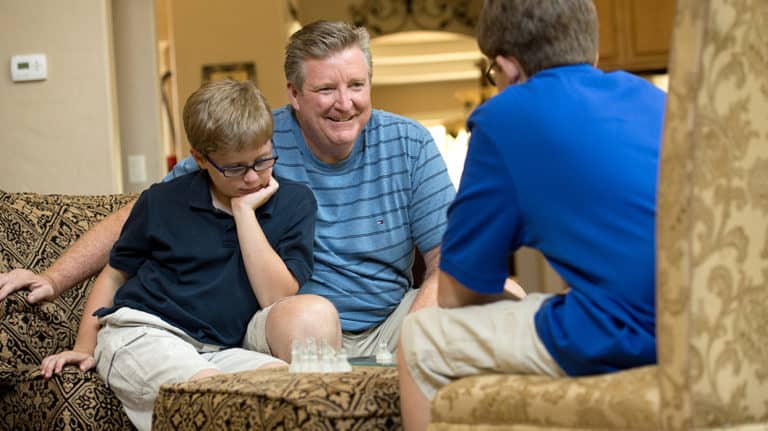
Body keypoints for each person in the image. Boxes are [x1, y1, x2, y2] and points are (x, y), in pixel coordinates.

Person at [0, 20, 456, 360]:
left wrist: (413, 339)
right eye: (326, 89)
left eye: (357, 85)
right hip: (285, 320)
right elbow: (141, 212)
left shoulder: (409, 143)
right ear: (294, 94)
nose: (346, 103)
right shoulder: (254, 142)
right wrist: (54, 277)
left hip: (389, 320)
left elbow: (446, 263)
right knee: (310, 316)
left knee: (502, 295)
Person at [396, 0, 667, 429]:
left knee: (418, 337)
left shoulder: (506, 116)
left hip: (625, 333)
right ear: (591, 53)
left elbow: (455, 293)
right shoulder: (653, 98)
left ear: (507, 69)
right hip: (694, 327)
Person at [38, 79, 316, 431]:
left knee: (288, 387)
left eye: (262, 160)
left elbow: (275, 297)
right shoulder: (161, 201)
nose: (252, 178)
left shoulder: (294, 203)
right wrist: (84, 345)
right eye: (234, 168)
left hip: (216, 348)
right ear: (200, 158)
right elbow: (114, 273)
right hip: (142, 333)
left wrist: (244, 213)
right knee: (209, 396)